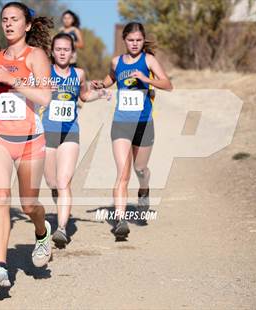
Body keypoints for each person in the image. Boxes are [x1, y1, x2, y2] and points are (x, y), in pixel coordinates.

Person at [0, 1, 53, 288]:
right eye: (4, 19)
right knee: (0, 196)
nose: (8, 24)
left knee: (29, 204)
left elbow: (44, 98)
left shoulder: (37, 57)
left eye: (15, 19)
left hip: (30, 139)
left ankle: (42, 232)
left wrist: (13, 80)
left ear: (27, 25)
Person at [91, 22, 172, 240]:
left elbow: (168, 84)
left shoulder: (148, 60)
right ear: (124, 41)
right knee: (123, 174)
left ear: (142, 40)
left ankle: (144, 189)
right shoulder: (117, 61)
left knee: (140, 168)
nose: (134, 44)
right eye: (130, 40)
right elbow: (111, 80)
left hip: (144, 124)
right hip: (121, 123)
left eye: (138, 40)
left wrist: (146, 79)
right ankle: (120, 221)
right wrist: (101, 85)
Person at [43, 33, 107, 248]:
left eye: (66, 49)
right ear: (52, 52)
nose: (62, 53)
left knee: (64, 182)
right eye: (58, 49)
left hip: (70, 132)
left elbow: (84, 96)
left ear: (73, 53)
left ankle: (61, 228)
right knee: (52, 183)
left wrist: (100, 94)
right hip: (47, 133)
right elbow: (26, 90)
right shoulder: (44, 72)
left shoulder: (78, 74)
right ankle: (59, 201)